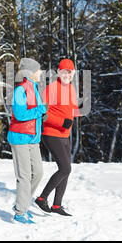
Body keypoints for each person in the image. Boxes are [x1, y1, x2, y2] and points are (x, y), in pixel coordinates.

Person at [35, 58, 81, 216]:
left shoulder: (71, 89)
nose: (67, 74)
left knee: (66, 170)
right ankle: (42, 198)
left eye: (70, 72)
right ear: (58, 73)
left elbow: (72, 109)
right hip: (51, 133)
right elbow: (43, 113)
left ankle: (57, 205)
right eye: (64, 71)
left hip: (65, 135)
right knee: (65, 168)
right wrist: (62, 121)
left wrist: (77, 110)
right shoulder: (51, 89)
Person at [7, 58, 47, 224]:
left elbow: (34, 114)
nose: (41, 73)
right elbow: (21, 115)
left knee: (38, 173)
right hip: (20, 138)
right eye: (38, 70)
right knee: (24, 176)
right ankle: (20, 212)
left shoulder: (35, 89)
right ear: (30, 73)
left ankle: (21, 204)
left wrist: (42, 115)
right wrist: (40, 110)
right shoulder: (20, 91)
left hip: (32, 138)